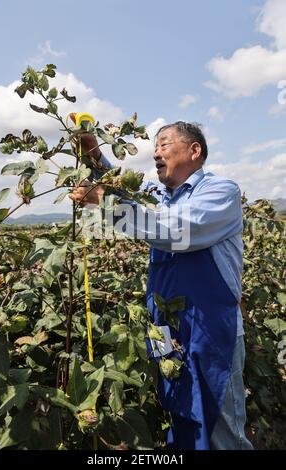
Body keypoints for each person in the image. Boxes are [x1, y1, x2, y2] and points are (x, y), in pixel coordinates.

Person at [69, 121, 254, 450]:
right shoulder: (160, 199)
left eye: (164, 144)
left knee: (220, 431)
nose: (155, 152)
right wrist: (95, 157)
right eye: (154, 146)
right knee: (179, 412)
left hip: (212, 331)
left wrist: (106, 204)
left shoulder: (219, 192)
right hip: (164, 332)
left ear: (194, 151)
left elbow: (176, 232)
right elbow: (127, 197)